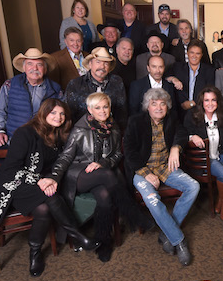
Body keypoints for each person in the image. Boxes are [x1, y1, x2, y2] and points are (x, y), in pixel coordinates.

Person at [0, 99, 101, 276]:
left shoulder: (59, 135)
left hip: (41, 185)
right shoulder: (25, 133)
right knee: (50, 197)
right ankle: (77, 235)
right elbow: (12, 168)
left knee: (43, 209)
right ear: (43, 113)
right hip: (14, 184)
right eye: (53, 113)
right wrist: (41, 181)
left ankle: (34, 253)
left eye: (61, 114)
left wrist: (49, 180)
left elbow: (59, 164)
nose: (58, 117)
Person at [48, 92, 151, 262]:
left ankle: (104, 243)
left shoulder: (114, 127)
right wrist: (54, 177)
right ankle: (133, 213)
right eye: (97, 108)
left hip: (102, 174)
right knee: (107, 176)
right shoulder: (80, 129)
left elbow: (117, 154)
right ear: (90, 110)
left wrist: (102, 164)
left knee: (104, 197)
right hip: (80, 175)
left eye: (105, 106)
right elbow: (65, 157)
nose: (102, 111)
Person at [124, 88, 200, 266]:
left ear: (167, 106)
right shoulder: (135, 122)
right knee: (153, 199)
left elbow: (181, 133)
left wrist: (176, 148)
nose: (159, 107)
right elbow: (129, 150)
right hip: (142, 170)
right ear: (147, 107)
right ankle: (179, 241)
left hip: (165, 167)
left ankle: (166, 232)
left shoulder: (171, 118)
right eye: (154, 103)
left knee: (193, 186)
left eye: (162, 104)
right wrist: (146, 173)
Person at [184, 86, 223, 221]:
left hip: (220, 153)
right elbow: (181, 133)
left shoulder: (222, 116)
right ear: (201, 102)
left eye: (213, 100)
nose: (210, 104)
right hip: (205, 159)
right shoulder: (193, 116)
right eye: (206, 100)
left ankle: (222, 198)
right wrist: (192, 137)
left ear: (218, 102)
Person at [0, 48, 61, 148]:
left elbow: (61, 116)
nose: (35, 68)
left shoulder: (56, 89)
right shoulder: (9, 85)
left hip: (43, 139)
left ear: (45, 69)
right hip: (13, 138)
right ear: (24, 68)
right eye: (30, 64)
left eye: (39, 64)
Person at [64, 47, 127, 128]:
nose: (102, 66)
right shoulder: (75, 84)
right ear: (90, 64)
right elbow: (69, 114)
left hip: (111, 132)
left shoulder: (117, 81)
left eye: (106, 63)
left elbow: (122, 112)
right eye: (98, 62)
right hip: (83, 132)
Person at [172, 40, 215, 120]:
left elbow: (209, 90)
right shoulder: (177, 67)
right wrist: (173, 79)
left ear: (201, 55)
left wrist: (193, 103)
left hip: (201, 111)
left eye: (197, 53)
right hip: (180, 112)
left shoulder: (209, 70)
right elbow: (165, 77)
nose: (194, 56)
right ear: (187, 53)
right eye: (192, 52)